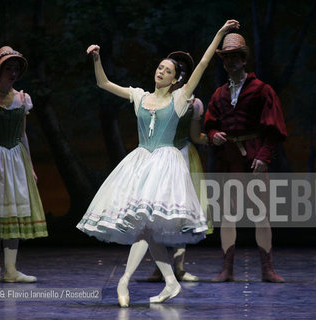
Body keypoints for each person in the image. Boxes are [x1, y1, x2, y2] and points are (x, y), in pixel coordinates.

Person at [77, 19, 240, 307]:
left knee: (145, 228)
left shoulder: (180, 99)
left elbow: (202, 63)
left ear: (175, 78)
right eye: (159, 67)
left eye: (167, 70)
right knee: (145, 229)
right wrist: (97, 58)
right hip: (140, 163)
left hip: (165, 164)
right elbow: (103, 83)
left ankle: (124, 281)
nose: (160, 71)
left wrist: (219, 33)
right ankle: (170, 282)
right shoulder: (140, 97)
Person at [204, 32, 287, 283]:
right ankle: (227, 268)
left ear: (243, 59)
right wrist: (214, 133)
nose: (230, 62)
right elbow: (210, 124)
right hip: (230, 159)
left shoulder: (262, 90)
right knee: (228, 215)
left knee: (260, 213)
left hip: (254, 156)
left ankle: (267, 269)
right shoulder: (219, 94)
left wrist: (263, 157)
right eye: (226, 58)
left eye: (234, 57)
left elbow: (275, 129)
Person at [0, 46, 47, 283]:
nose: (12, 73)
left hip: (15, 159)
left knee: (14, 212)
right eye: (8, 68)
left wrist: (30, 166)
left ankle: (11, 270)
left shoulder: (23, 99)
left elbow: (22, 135)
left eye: (16, 69)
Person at [147, 51, 210, 283]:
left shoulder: (193, 103)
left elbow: (195, 135)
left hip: (182, 157)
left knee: (180, 211)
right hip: (158, 157)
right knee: (156, 209)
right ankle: (159, 266)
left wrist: (212, 137)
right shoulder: (157, 100)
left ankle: (179, 266)